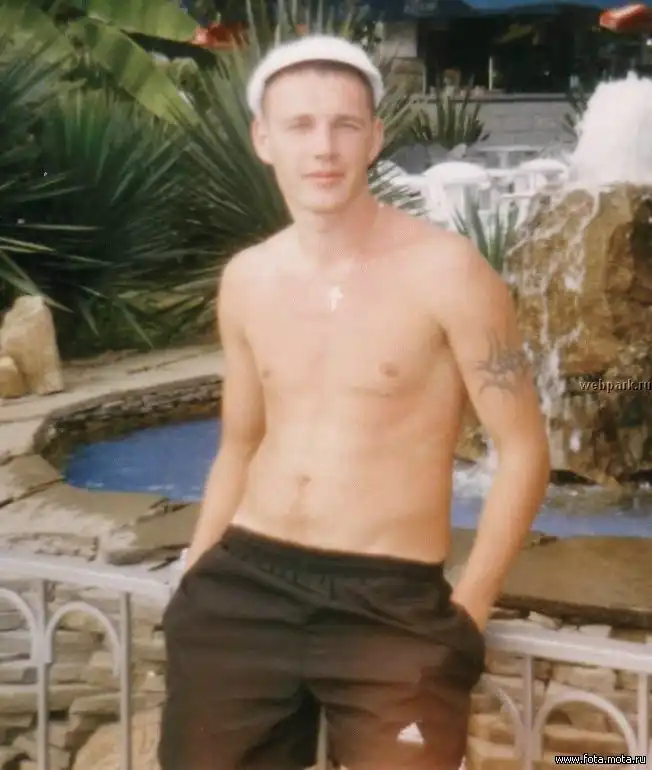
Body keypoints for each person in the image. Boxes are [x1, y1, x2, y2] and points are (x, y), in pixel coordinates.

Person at [159, 34, 551, 770]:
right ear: (264, 140)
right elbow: (241, 442)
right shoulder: (247, 278)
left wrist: (468, 612)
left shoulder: (449, 272)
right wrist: (195, 575)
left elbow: (524, 448)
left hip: (390, 603)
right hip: (243, 588)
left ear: (374, 137)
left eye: (344, 124)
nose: (324, 148)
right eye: (300, 125)